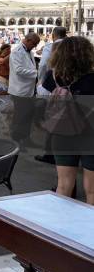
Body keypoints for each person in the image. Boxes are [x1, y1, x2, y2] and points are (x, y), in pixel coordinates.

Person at [40, 36, 94, 204]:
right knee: (92, 189)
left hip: (62, 131)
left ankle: (60, 227)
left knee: (63, 185)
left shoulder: (52, 76)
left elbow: (45, 87)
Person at [8, 32, 40, 145]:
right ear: (28, 40)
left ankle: (26, 138)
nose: (35, 46)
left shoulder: (29, 52)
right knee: (20, 116)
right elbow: (19, 70)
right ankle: (16, 141)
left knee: (28, 116)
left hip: (29, 90)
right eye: (34, 43)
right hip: (19, 90)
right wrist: (37, 73)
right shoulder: (17, 52)